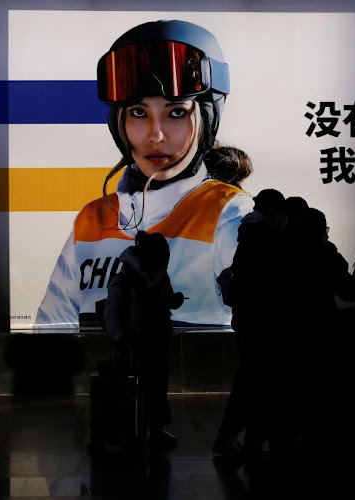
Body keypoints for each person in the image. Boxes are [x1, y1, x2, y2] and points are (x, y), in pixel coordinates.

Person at [35, 19, 254, 329]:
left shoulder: (231, 215)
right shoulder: (92, 221)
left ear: (209, 117)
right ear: (119, 122)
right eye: (139, 112)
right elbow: (47, 341)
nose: (156, 135)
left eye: (176, 111)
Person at [213, 188, 288, 457]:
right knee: (250, 383)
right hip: (259, 322)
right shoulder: (263, 238)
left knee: (252, 382)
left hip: (248, 320)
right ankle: (232, 437)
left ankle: (249, 439)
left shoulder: (250, 234)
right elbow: (267, 284)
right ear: (274, 212)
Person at [102, 231, 185, 451]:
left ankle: (149, 431)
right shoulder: (128, 280)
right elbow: (114, 314)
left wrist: (173, 302)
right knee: (141, 389)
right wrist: (121, 338)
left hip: (150, 341)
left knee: (154, 388)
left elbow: (113, 313)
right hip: (136, 344)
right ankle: (136, 432)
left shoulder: (151, 276)